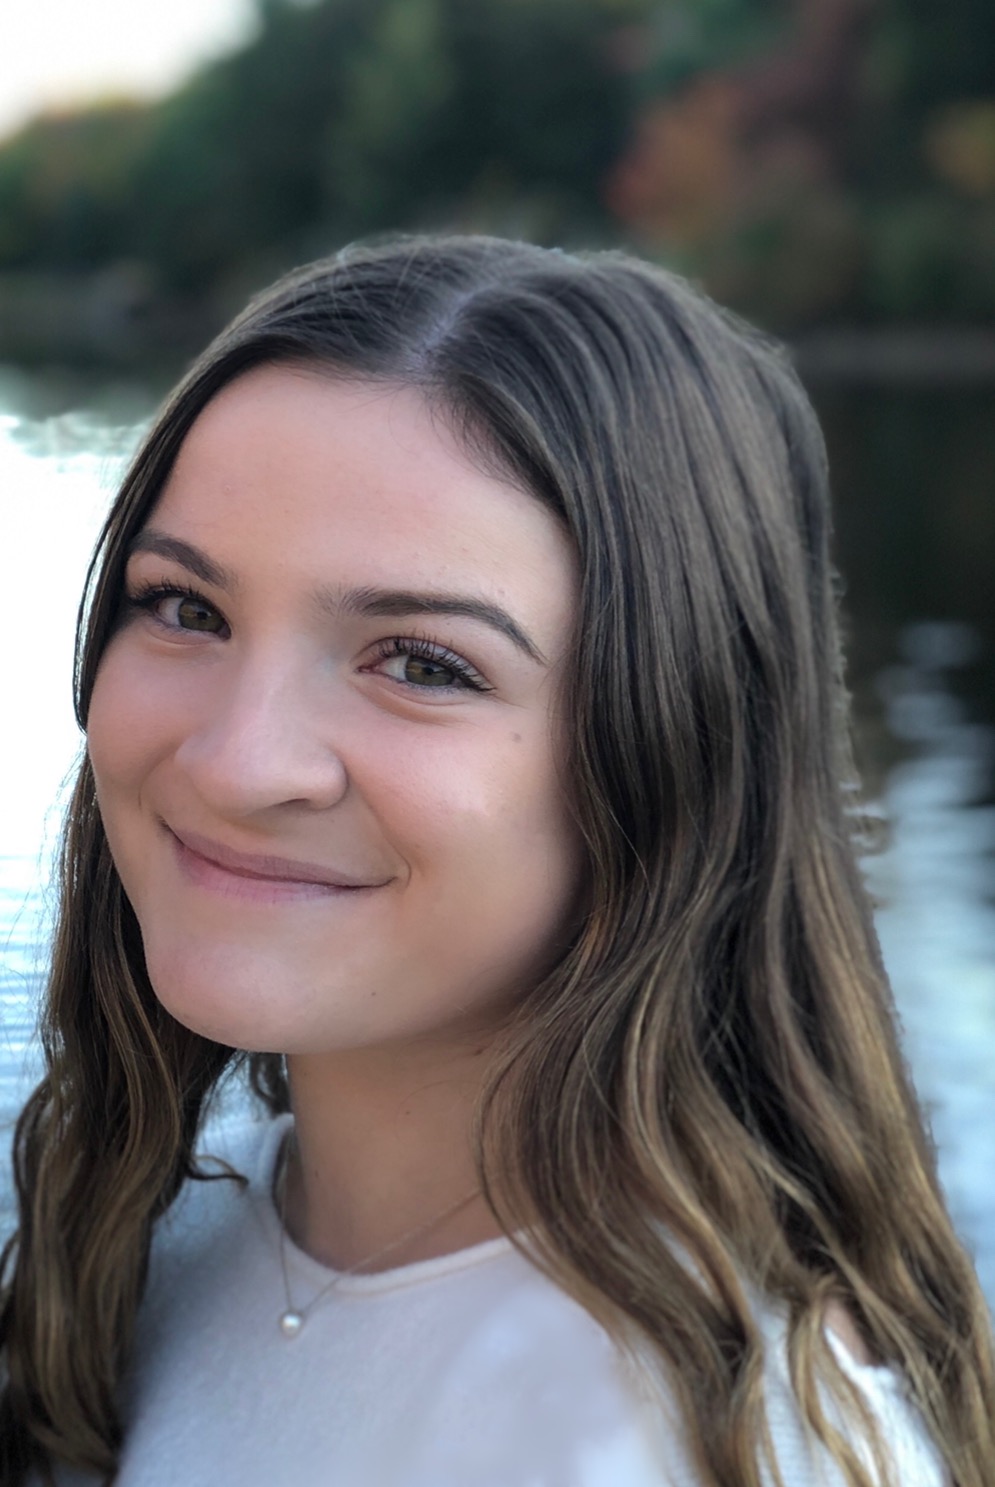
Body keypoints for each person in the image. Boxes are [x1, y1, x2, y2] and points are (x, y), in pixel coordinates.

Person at [0, 234, 991, 1487]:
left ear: (670, 750)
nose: (239, 762)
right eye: (186, 607)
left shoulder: (725, 1443)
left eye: (422, 662)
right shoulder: (155, 1235)